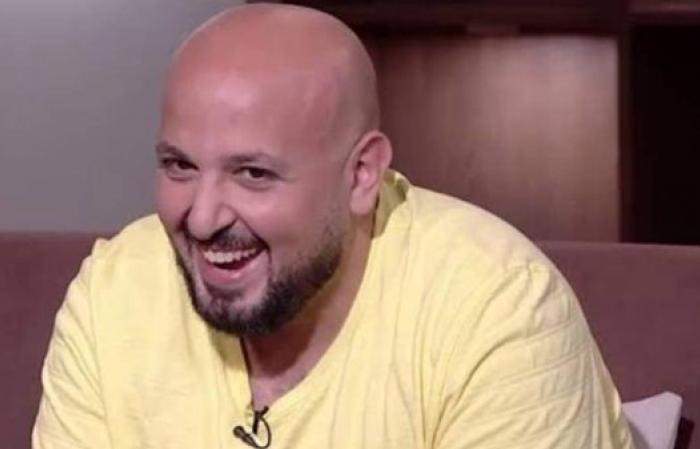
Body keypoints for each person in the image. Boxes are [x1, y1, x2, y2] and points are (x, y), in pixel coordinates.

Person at [32, 4, 635, 449]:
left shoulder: (499, 306)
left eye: (253, 174)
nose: (204, 217)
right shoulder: (113, 292)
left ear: (362, 175)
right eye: (179, 166)